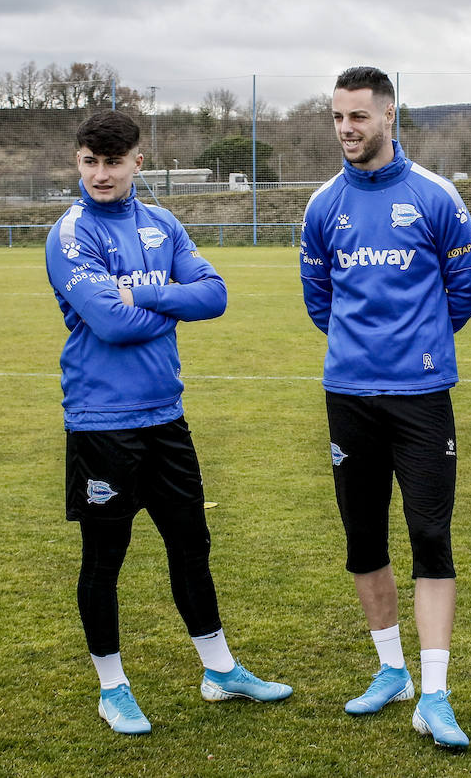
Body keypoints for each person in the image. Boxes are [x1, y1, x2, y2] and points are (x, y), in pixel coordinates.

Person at [45, 110, 291, 737]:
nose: (100, 174)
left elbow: (215, 294)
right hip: (102, 421)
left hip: (166, 417)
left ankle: (220, 670)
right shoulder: (70, 235)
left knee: (191, 545)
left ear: (137, 163)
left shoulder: (163, 224)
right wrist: (167, 303)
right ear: (78, 161)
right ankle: (113, 687)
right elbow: (111, 324)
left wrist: (144, 295)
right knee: (106, 558)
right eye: (89, 162)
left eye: (113, 162)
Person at [300, 66, 471, 750]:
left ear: (389, 116)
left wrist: (417, 349)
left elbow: (465, 292)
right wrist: (363, 353)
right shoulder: (323, 204)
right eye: (338, 117)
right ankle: (390, 670)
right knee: (363, 537)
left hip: (421, 396)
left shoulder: (435, 196)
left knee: (431, 535)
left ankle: (435, 692)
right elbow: (320, 298)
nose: (347, 128)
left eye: (359, 116)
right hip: (348, 395)